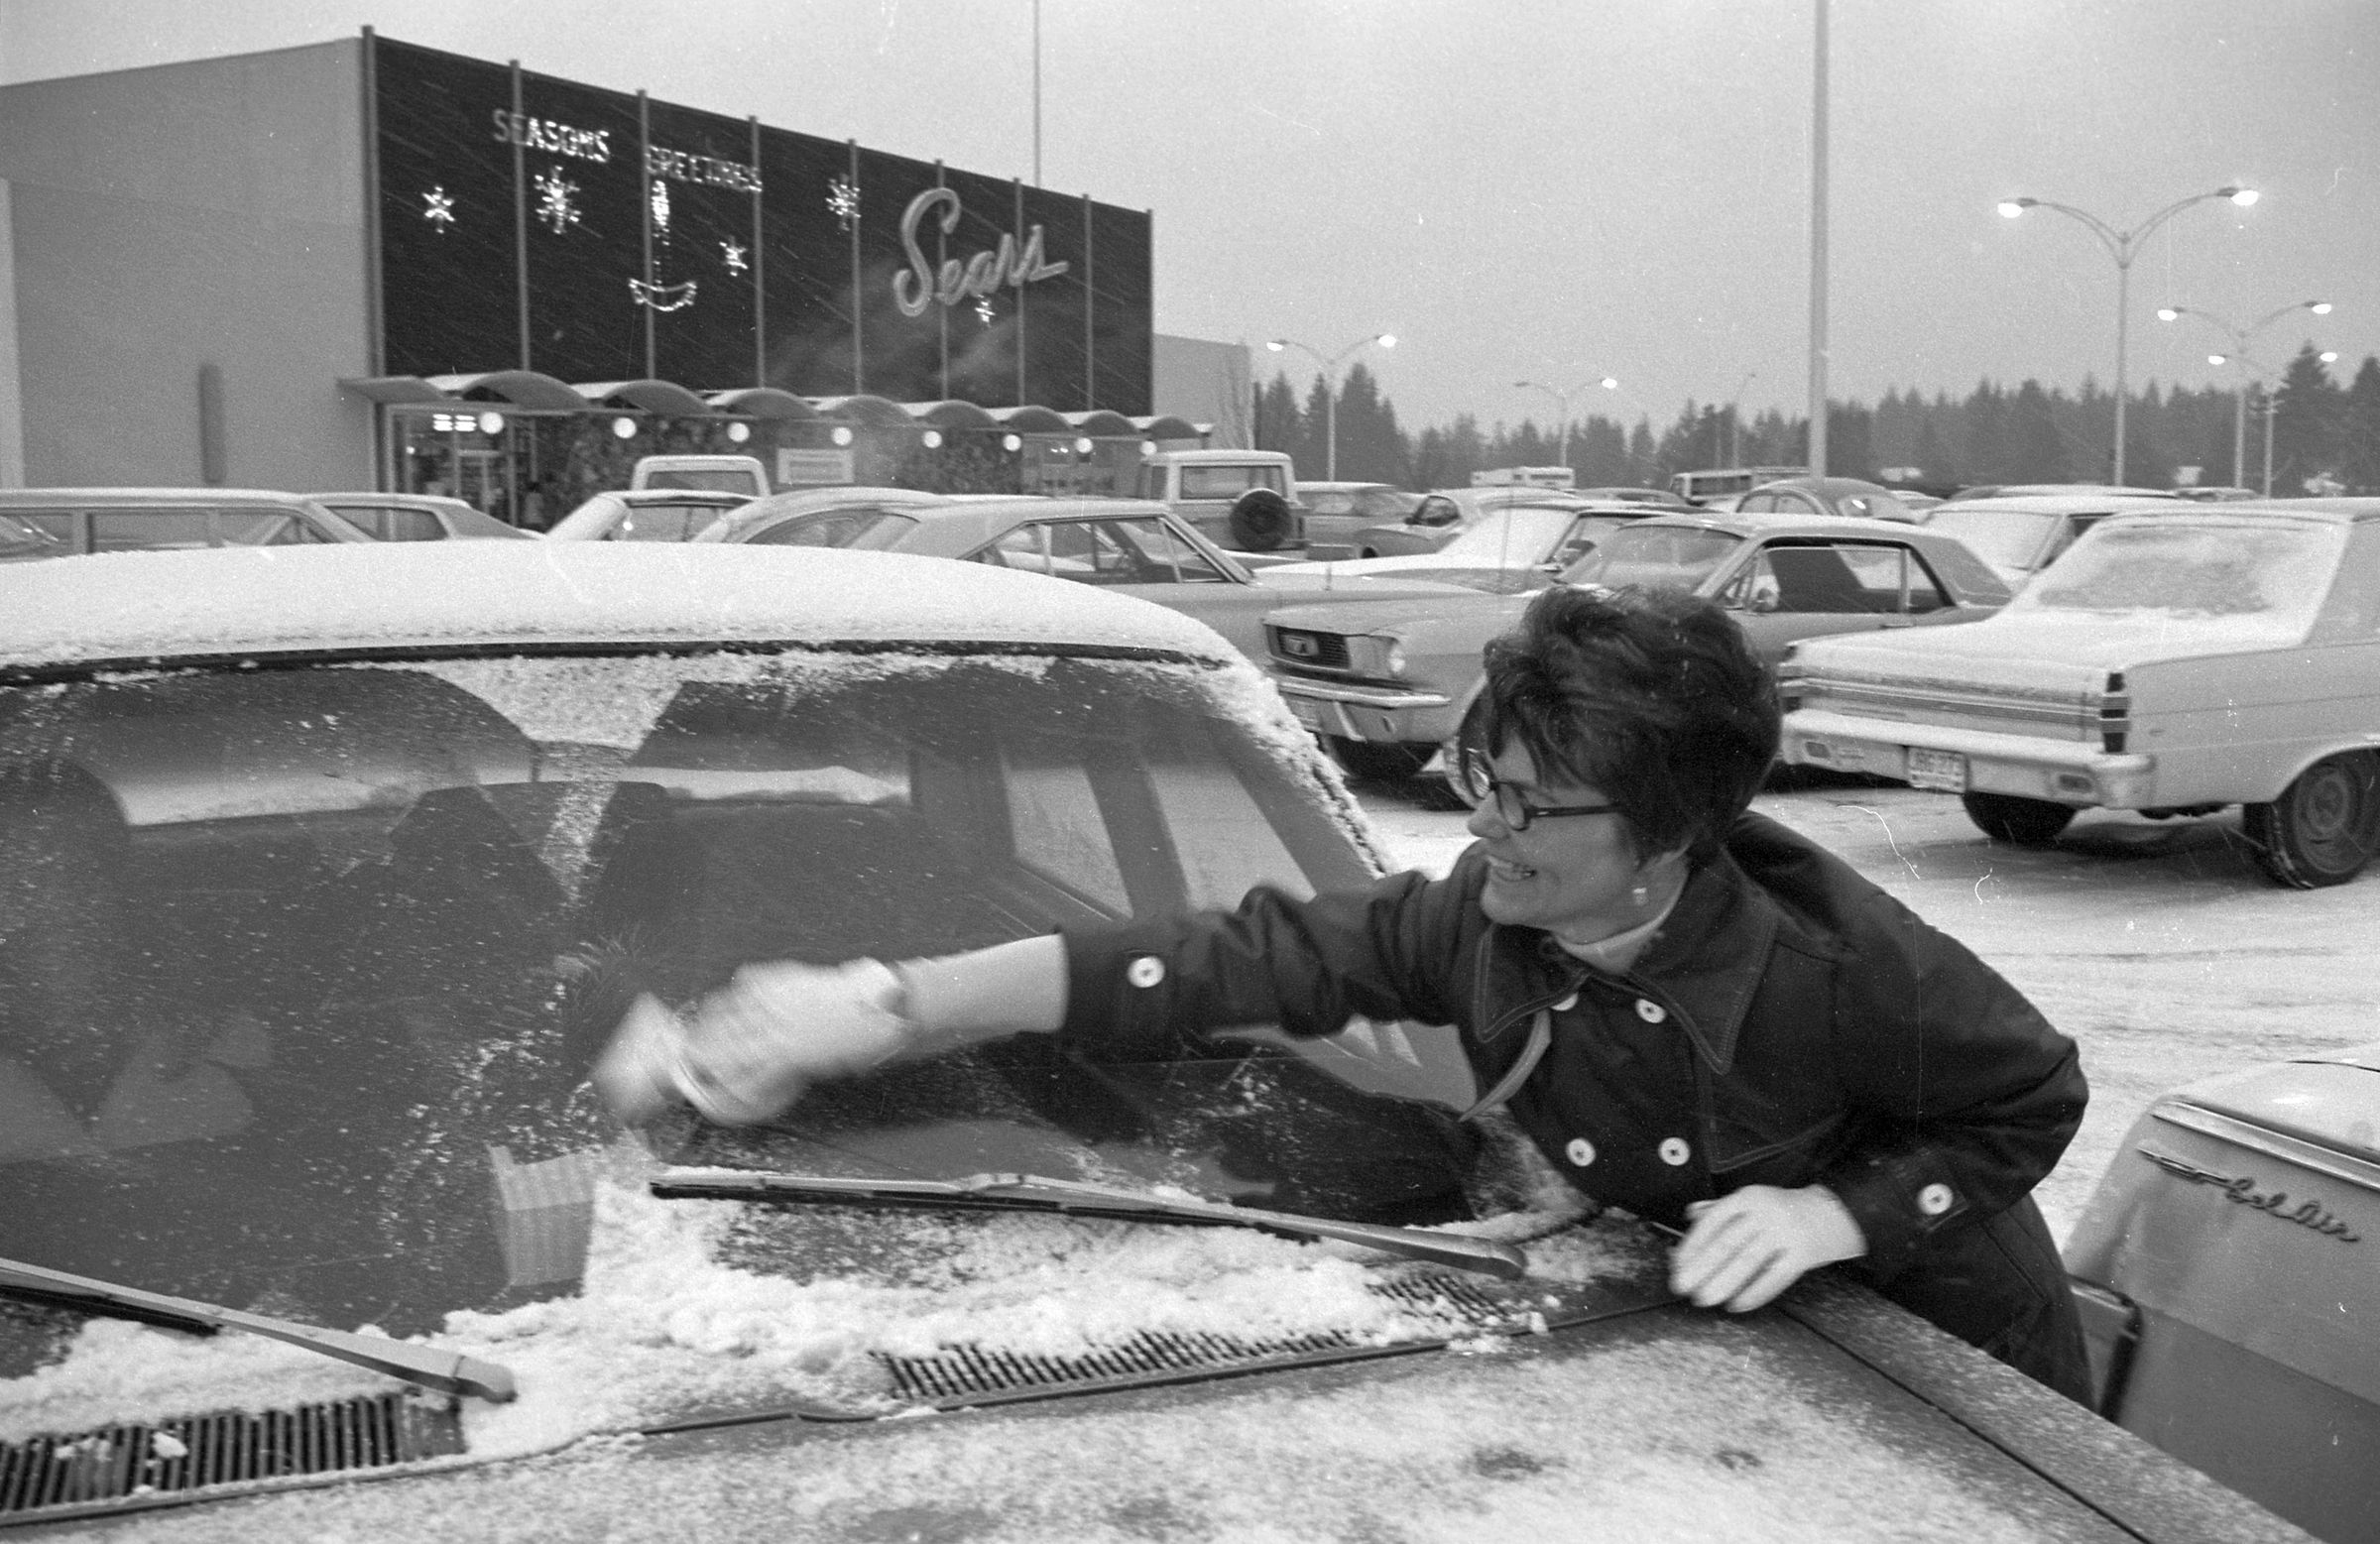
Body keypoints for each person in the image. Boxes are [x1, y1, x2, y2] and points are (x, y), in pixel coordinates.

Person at [595, 584, 2092, 1399]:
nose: (1484, 823)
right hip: (1714, 1346)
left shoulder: (1840, 968)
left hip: (1937, 1353)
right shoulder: (1477, 924)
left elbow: (2032, 1096)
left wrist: (1842, 1214)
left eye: (1530, 803)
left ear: (1667, 834)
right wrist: (892, 1000)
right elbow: (1212, 960)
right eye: (1483, 776)